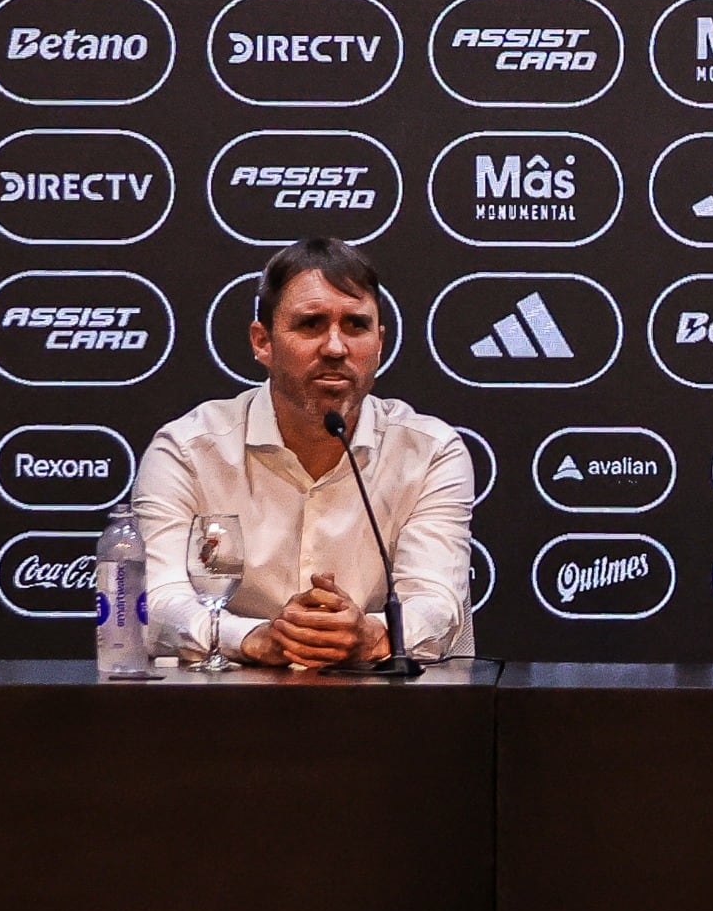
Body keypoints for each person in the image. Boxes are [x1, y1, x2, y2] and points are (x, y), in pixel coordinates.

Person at [134, 238, 475, 667]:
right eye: (311, 324)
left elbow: (436, 600)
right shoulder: (187, 452)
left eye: (355, 325)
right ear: (263, 342)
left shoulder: (429, 453)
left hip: (382, 714)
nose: (335, 348)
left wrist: (371, 635)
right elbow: (155, 604)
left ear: (380, 343)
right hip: (222, 715)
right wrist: (254, 638)